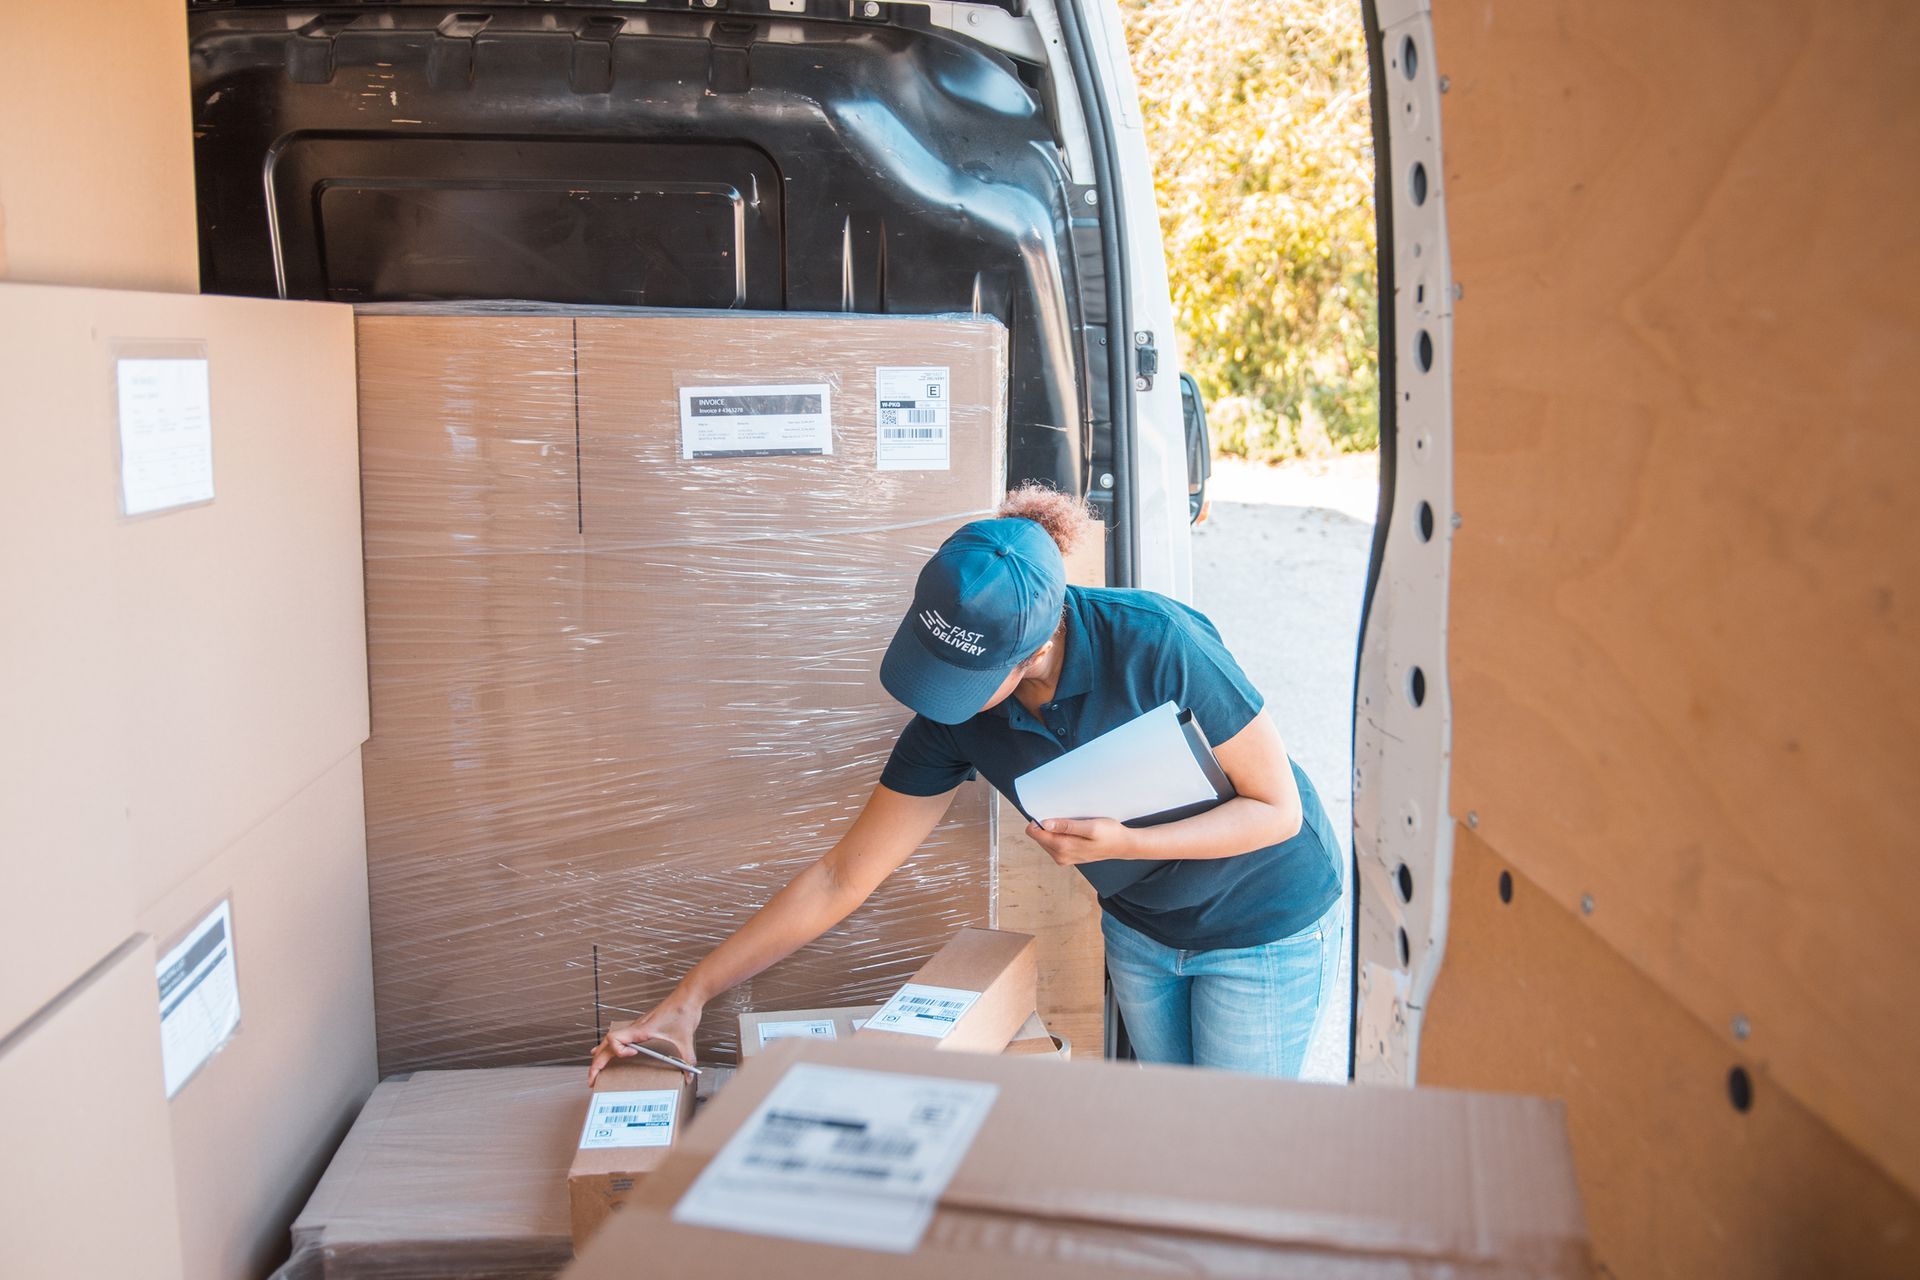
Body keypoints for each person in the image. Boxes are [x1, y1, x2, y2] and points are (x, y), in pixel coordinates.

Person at [589, 485, 1344, 1082]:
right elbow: (838, 877)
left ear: (1039, 646)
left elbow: (1274, 809)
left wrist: (1129, 840)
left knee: (1234, 1149)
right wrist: (686, 1000)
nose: (941, 695)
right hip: (1145, 931)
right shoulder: (957, 722)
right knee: (1176, 1134)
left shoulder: (1157, 645)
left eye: (966, 677)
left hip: (1262, 923)